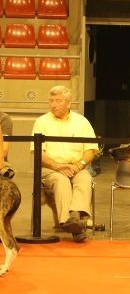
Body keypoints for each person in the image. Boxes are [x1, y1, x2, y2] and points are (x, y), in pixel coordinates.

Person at [31, 85, 99, 243]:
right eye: (51, 101)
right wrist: (56, 166)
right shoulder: (41, 122)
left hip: (76, 166)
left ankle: (74, 217)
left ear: (68, 103)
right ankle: (71, 223)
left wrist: (79, 165)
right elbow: (37, 152)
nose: (53, 104)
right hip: (51, 169)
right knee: (61, 180)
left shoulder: (82, 122)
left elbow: (91, 150)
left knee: (85, 179)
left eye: (58, 101)